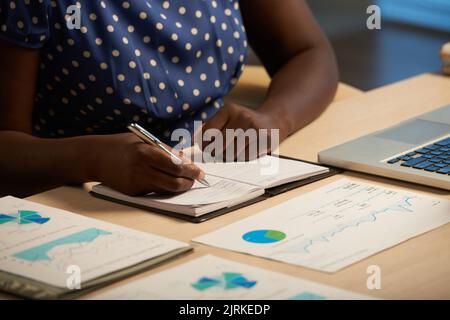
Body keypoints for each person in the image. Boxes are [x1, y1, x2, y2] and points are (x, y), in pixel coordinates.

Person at [0, 0, 338, 197]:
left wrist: (273, 119)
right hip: (79, 199)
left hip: (223, 181)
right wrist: (91, 158)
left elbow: (308, 51)